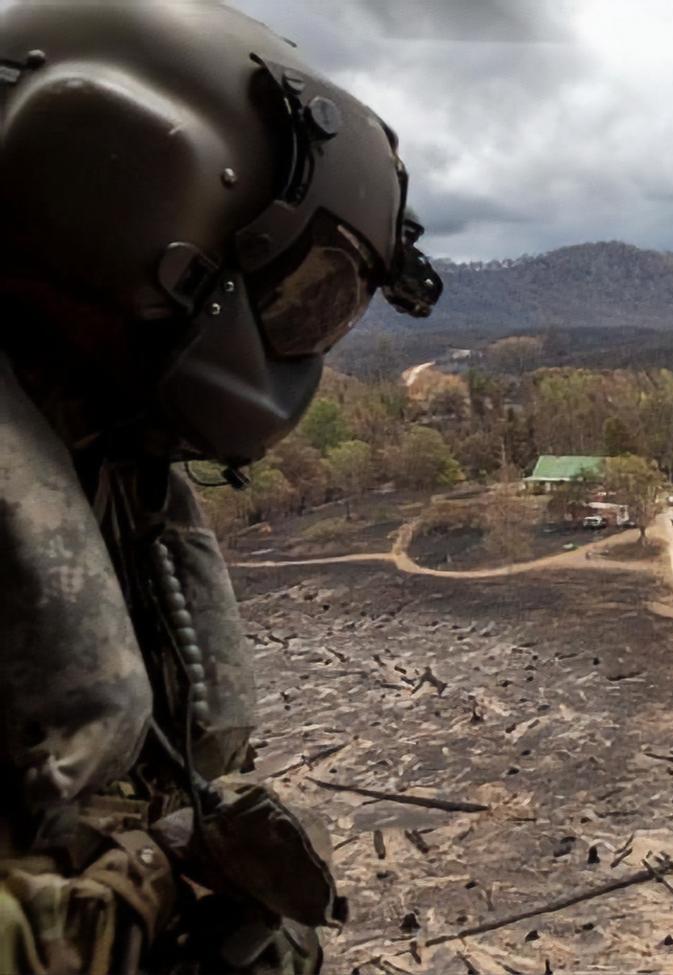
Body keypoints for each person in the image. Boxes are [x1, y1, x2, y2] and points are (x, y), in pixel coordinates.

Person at [0, 3, 441, 971]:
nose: (301, 337)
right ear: (121, 204)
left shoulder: (100, 456)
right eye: (297, 293)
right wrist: (117, 914)